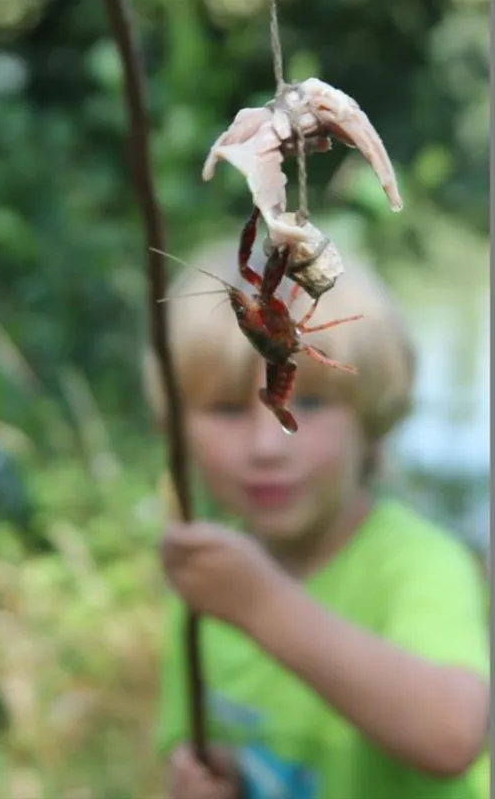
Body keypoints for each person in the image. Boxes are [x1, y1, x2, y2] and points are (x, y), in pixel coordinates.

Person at [143, 231, 489, 799]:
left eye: (311, 400)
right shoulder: (209, 578)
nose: (267, 448)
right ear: (179, 431)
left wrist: (259, 603)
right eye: (228, 410)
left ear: (370, 420)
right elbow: (197, 750)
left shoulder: (420, 564)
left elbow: (452, 736)